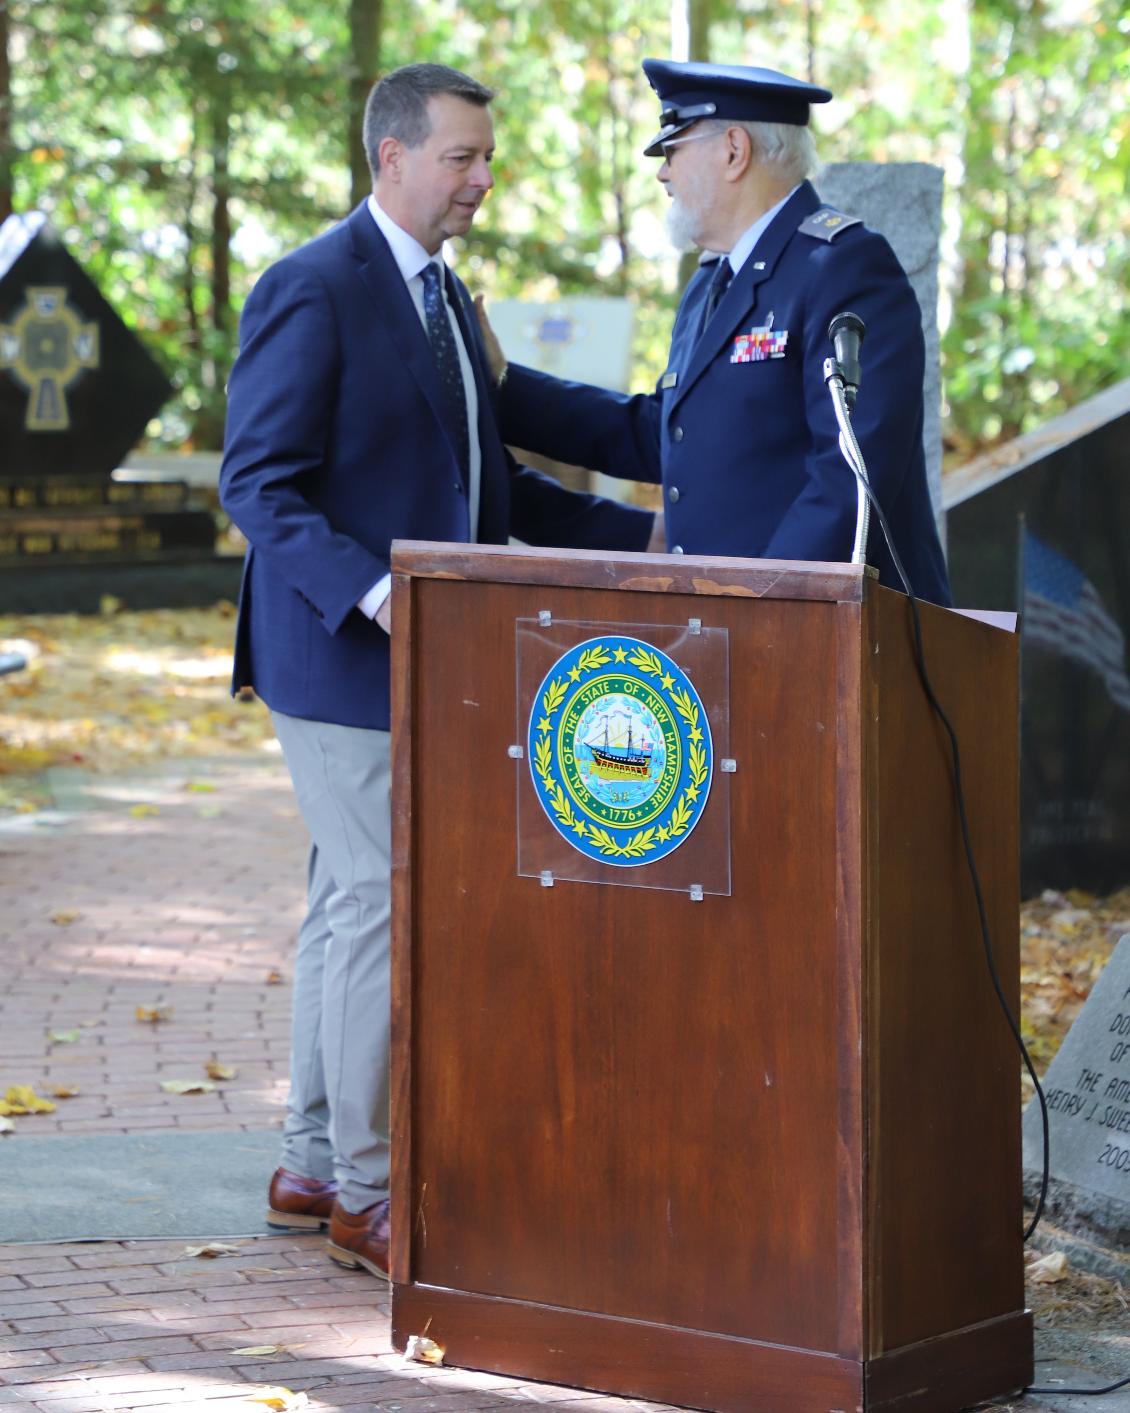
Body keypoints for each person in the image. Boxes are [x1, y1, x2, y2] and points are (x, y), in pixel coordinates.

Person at [219, 62, 654, 1280]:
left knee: (345, 902)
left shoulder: (449, 300)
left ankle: (310, 1162)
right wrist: (376, 594)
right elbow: (255, 483)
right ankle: (368, 1191)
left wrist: (656, 538)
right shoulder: (313, 285)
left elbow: (493, 488)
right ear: (391, 158)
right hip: (338, 657)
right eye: (461, 156)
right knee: (376, 902)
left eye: (484, 156)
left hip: (417, 651)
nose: (481, 178)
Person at [479, 59, 952, 605]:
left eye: (673, 149)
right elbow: (665, 434)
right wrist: (505, 388)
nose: (662, 173)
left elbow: (848, 477)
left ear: (733, 150)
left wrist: (757, 607)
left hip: (830, 639)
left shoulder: (844, 267)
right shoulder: (712, 281)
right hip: (737, 636)